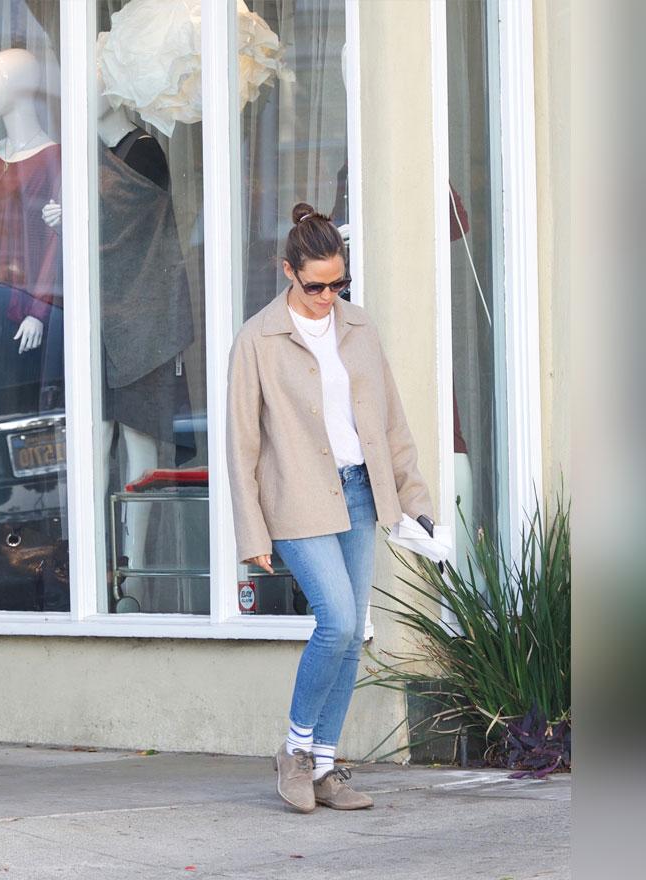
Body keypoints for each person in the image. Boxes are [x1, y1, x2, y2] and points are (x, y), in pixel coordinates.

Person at [226, 202, 435, 813]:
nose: (326, 296)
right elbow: (240, 445)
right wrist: (251, 533)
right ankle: (293, 752)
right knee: (337, 621)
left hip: (361, 494)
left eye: (337, 284)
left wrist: (414, 499)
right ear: (287, 271)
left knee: (351, 636)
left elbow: (390, 424)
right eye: (315, 285)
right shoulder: (257, 339)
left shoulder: (360, 328)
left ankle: (324, 765)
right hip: (294, 500)